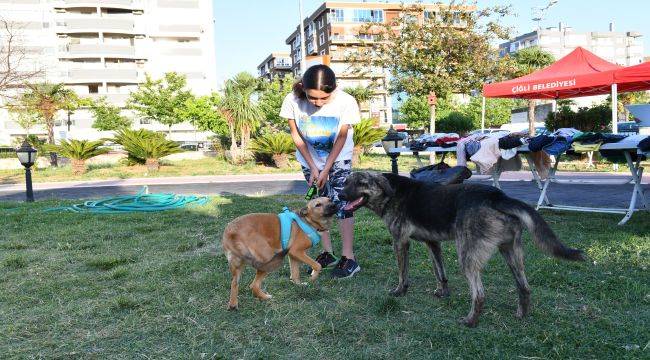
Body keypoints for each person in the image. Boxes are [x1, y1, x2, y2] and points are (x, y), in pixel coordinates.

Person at [279, 64, 361, 278]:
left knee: (342, 204)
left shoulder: (346, 102)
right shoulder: (292, 100)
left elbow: (342, 137)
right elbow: (296, 136)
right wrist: (313, 167)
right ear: (303, 88)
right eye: (312, 98)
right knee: (319, 203)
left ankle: (349, 258)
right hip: (310, 161)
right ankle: (327, 253)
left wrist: (326, 169)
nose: (317, 103)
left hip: (338, 158)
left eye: (324, 98)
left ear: (333, 89)